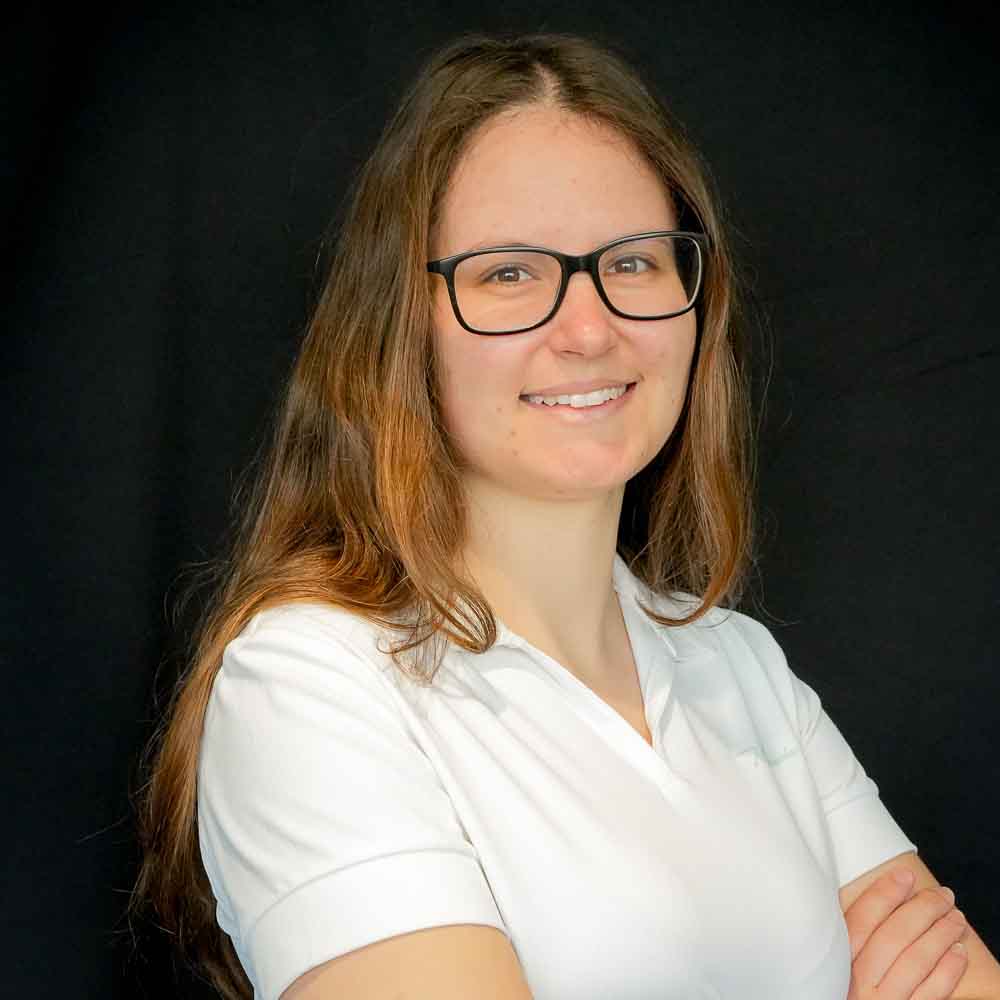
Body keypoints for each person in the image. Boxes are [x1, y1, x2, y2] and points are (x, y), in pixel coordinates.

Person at [130, 31, 1000, 1000]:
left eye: (631, 262)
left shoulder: (736, 666)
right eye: (508, 272)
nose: (588, 328)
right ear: (398, 326)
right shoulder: (313, 684)